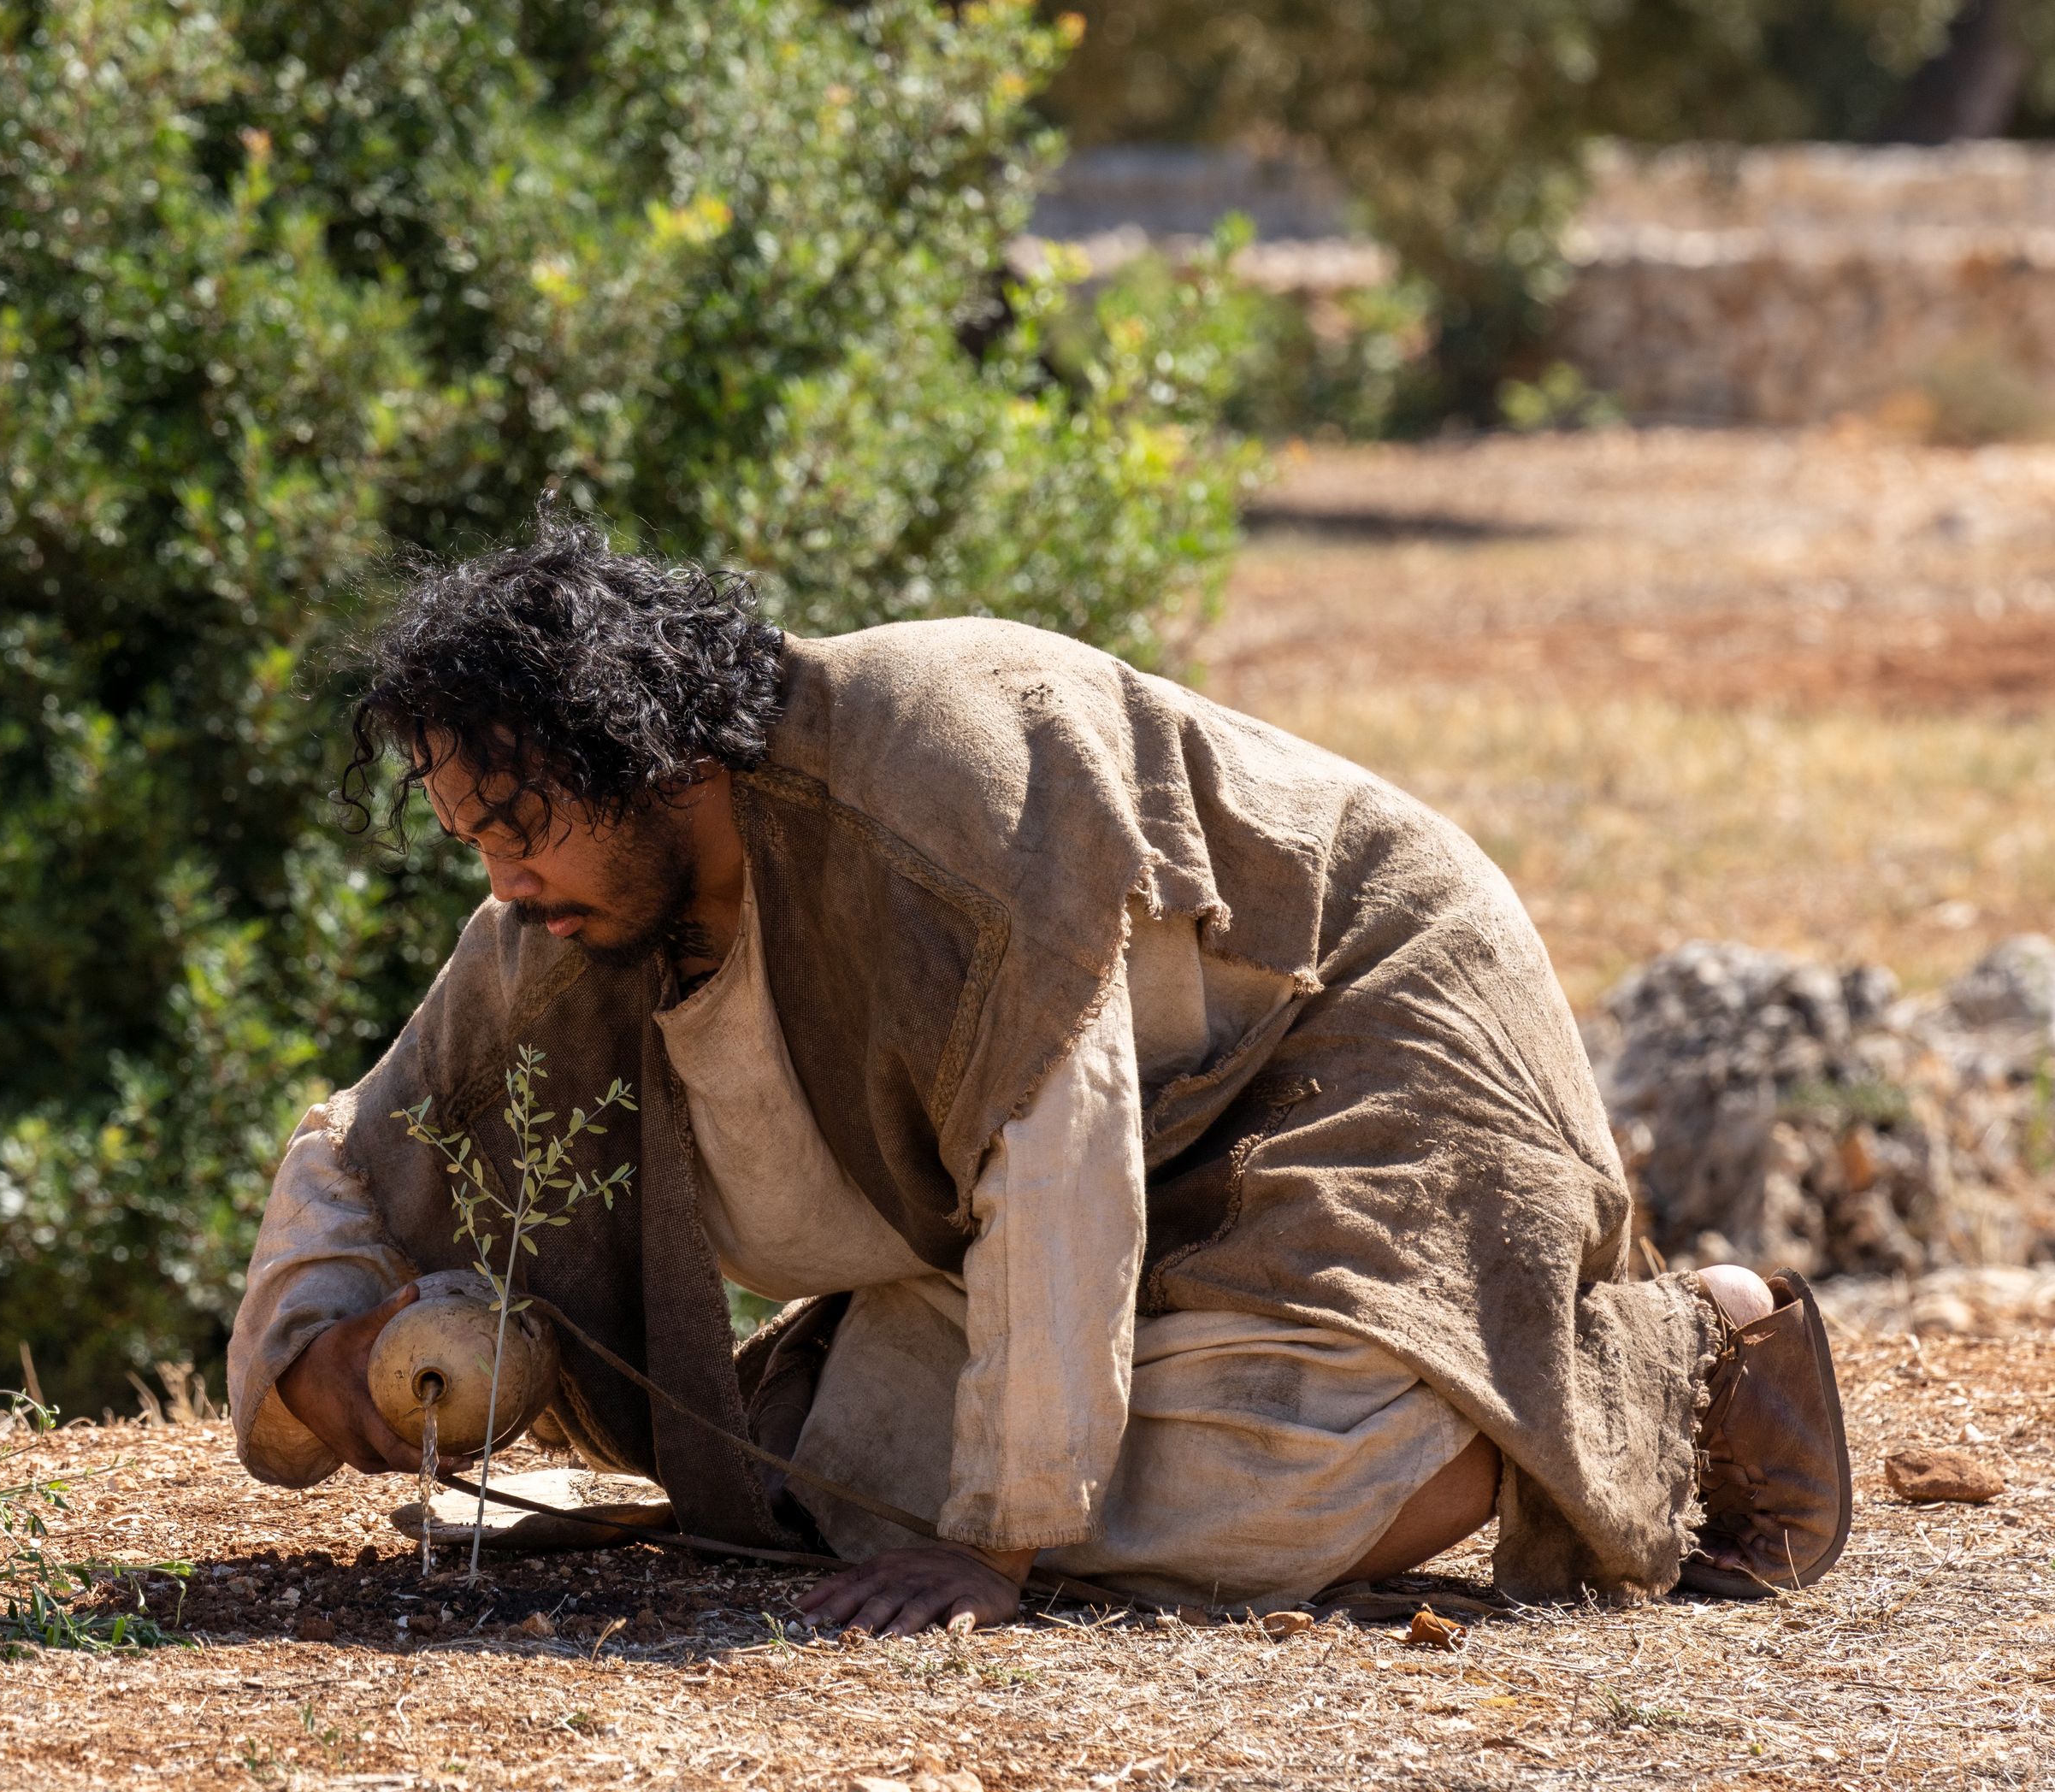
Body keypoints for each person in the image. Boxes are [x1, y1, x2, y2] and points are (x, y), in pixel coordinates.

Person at [226, 522, 1850, 1631]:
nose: (500, 883)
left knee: (1336, 1496)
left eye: (520, 829)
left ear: (648, 757)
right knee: (818, 1476)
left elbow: (1056, 1141)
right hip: (1126, 1171)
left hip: (1360, 1032)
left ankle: (1682, 1339)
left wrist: (997, 1540)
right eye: (474, 843)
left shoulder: (932, 774)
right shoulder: (574, 917)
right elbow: (376, 1147)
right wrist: (313, 1372)